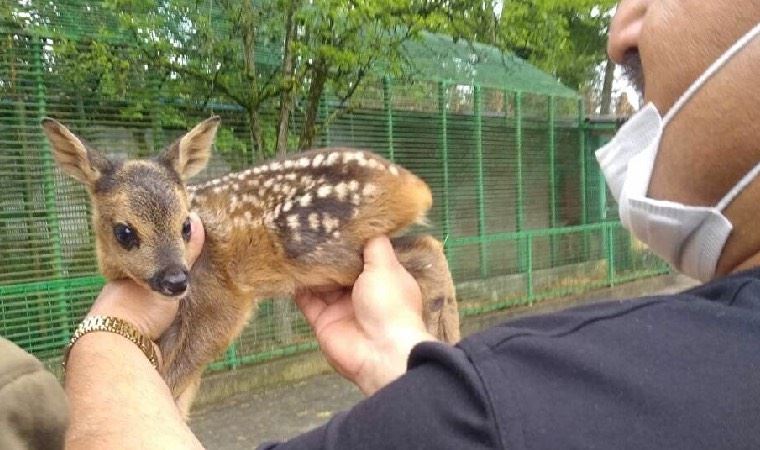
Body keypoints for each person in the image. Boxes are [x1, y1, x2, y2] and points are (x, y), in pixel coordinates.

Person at [62, 0, 760, 448]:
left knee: (293, 256)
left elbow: (212, 320)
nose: (620, 30)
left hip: (312, 219)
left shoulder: (507, 404)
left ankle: (421, 259)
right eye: (131, 238)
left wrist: (108, 341)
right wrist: (406, 354)